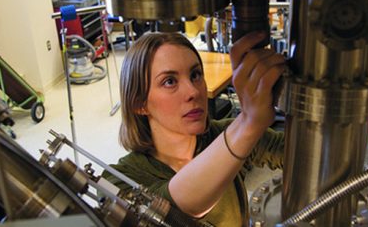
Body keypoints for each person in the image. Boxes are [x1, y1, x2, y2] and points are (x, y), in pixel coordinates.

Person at [103, 31, 286, 226]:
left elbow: (298, 153)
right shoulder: (118, 180)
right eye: (169, 81)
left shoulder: (223, 134)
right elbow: (172, 210)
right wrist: (248, 123)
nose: (193, 91)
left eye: (195, 75)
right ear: (139, 103)